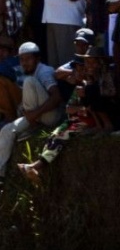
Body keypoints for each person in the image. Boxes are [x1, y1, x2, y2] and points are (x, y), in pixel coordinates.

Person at [0, 42, 63, 190]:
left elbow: (56, 98)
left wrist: (33, 114)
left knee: (29, 82)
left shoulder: (45, 71)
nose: (24, 63)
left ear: (37, 59)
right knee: (6, 130)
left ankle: (32, 127)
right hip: (35, 116)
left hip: (50, 117)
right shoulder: (24, 72)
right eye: (22, 59)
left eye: (28, 59)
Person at [16, 48, 111, 184]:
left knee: (61, 135)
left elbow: (90, 108)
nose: (78, 72)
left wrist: (81, 109)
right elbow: (69, 108)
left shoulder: (95, 84)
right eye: (77, 68)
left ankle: (37, 166)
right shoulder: (80, 86)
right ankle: (37, 166)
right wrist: (79, 109)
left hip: (86, 122)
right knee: (54, 135)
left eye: (81, 68)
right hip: (76, 120)